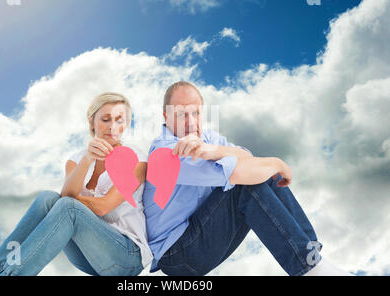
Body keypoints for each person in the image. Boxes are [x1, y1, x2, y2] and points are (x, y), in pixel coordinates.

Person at [142, 81, 352, 276]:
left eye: (195, 113)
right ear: (165, 116)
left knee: (264, 175)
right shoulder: (165, 152)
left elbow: (248, 157)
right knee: (247, 184)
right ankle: (309, 268)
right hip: (178, 256)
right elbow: (241, 172)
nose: (190, 122)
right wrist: (278, 163)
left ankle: (313, 256)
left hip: (199, 237)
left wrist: (214, 150)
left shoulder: (207, 138)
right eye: (181, 114)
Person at [0, 92, 153, 276]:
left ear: (126, 125)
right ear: (91, 122)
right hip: (88, 256)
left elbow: (103, 206)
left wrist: (72, 201)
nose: (112, 127)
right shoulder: (76, 160)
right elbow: (66, 194)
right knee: (47, 198)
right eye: (105, 119)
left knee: (68, 206)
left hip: (126, 258)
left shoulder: (136, 160)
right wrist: (88, 159)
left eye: (119, 120)